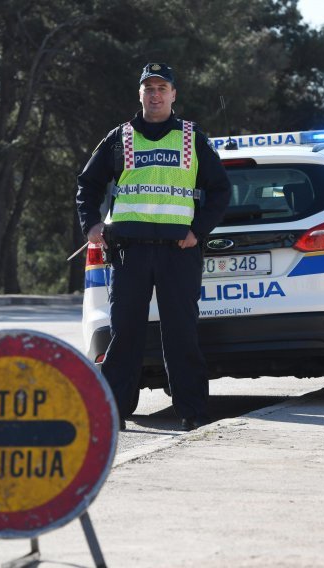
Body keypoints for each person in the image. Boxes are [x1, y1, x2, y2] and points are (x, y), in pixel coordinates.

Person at [76, 63, 231, 431]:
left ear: (174, 94)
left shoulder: (193, 137)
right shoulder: (119, 137)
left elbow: (221, 190)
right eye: (149, 88)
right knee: (125, 333)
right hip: (130, 251)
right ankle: (115, 412)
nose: (156, 94)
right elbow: (88, 185)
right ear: (140, 94)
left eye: (163, 88)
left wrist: (199, 230)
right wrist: (91, 225)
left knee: (180, 334)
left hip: (179, 251)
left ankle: (193, 413)